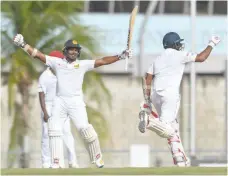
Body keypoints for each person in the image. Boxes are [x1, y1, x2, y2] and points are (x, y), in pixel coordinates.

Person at [13, 34, 132, 168]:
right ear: (65, 51)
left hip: (76, 102)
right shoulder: (56, 62)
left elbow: (102, 61)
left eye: (76, 49)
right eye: (71, 49)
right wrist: (23, 44)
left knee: (85, 130)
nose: (74, 51)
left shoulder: (82, 65)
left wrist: (120, 56)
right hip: (60, 101)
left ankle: (97, 156)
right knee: (53, 129)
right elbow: (37, 55)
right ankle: (56, 162)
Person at [138, 32, 221, 167]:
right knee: (167, 129)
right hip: (170, 95)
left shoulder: (158, 58)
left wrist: (147, 99)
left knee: (173, 127)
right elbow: (201, 57)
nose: (180, 45)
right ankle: (149, 121)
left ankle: (179, 158)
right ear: (174, 44)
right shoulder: (180, 55)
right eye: (179, 43)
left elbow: (147, 78)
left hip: (156, 95)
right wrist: (212, 43)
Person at [38, 50, 79, 168]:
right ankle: (46, 162)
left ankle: (72, 161)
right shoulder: (44, 76)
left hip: (61, 105)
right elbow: (41, 94)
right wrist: (45, 112)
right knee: (46, 134)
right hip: (48, 105)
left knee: (66, 133)